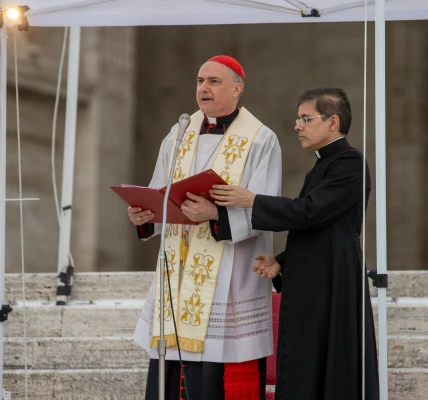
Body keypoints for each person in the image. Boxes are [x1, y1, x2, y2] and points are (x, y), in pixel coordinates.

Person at [210, 87, 380, 400]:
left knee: (328, 367)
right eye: (297, 119)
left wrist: (253, 201)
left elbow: (311, 212)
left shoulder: (350, 163)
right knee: (306, 363)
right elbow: (315, 230)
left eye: (305, 118)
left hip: (333, 282)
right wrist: (281, 263)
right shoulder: (322, 165)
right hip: (314, 280)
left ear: (332, 122)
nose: (297, 126)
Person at [129, 55, 282, 400]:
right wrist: (145, 216)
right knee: (171, 370)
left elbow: (267, 207)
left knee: (213, 375)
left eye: (213, 81)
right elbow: (159, 189)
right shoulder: (180, 131)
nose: (203, 88)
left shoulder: (260, 140)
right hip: (178, 273)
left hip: (230, 274)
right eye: (200, 81)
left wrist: (215, 213)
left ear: (237, 89)